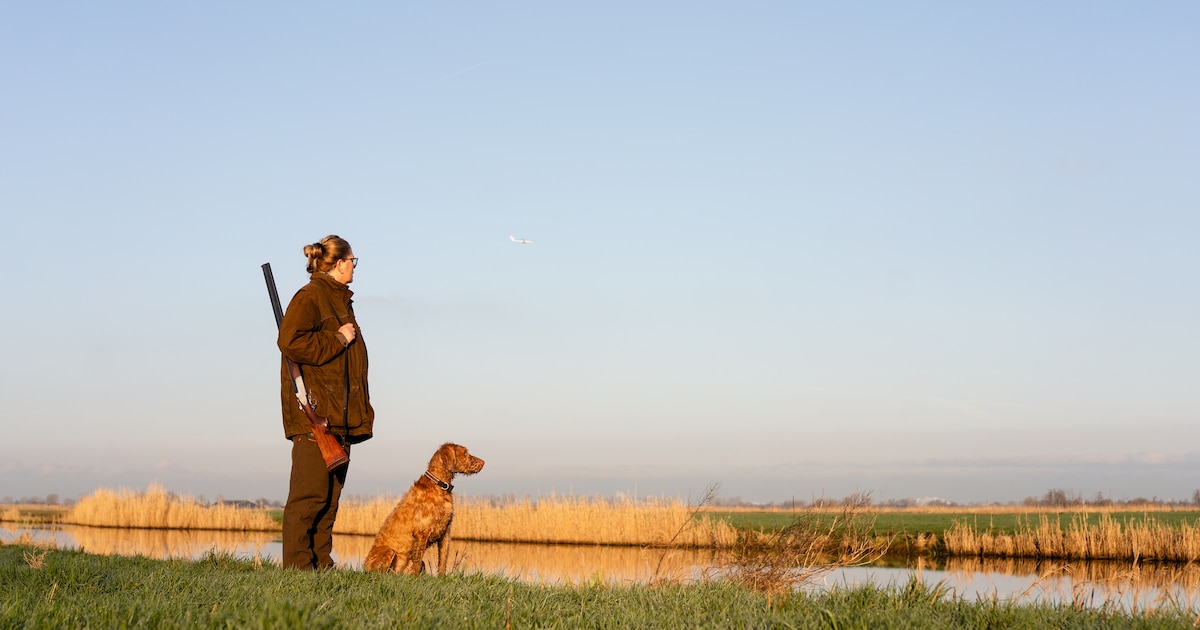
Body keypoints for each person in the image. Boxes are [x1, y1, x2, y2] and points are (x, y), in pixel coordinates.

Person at [277, 234, 374, 569]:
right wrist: (337, 338)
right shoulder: (311, 297)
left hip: (338, 418)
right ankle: (298, 572)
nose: (354, 268)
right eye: (352, 261)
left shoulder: (337, 299)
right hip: (315, 415)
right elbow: (290, 342)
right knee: (308, 498)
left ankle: (321, 567)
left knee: (329, 500)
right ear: (337, 263)